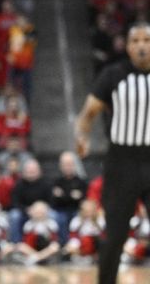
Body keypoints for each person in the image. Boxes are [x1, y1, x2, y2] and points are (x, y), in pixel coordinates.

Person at [75, 22, 150, 284]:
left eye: (147, 40)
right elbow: (89, 111)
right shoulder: (113, 74)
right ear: (128, 46)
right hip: (122, 161)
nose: (142, 46)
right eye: (136, 41)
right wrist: (82, 135)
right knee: (115, 233)